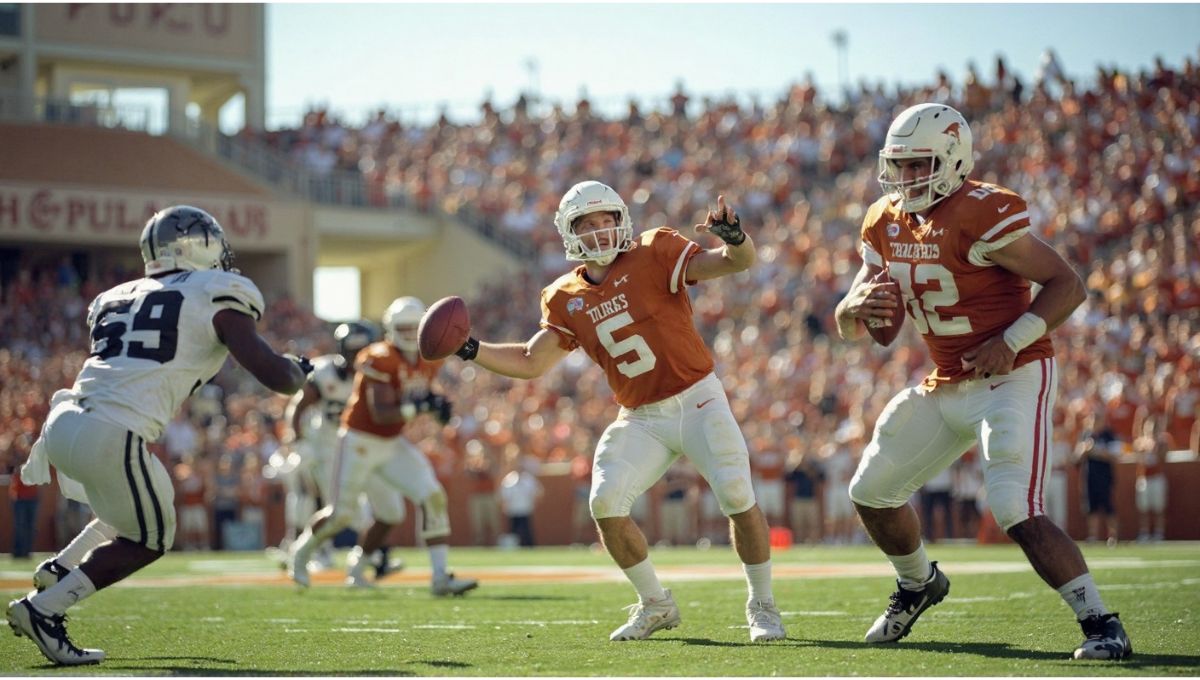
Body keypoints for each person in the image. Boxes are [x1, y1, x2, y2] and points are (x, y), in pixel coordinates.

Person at [834, 104, 1131, 660]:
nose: (906, 178)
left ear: (952, 159)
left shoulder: (981, 211)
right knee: (870, 492)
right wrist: (850, 307)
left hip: (1013, 373)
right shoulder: (884, 219)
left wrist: (1011, 340)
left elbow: (1067, 283)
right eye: (898, 166)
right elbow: (874, 327)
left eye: (919, 164)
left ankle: (1101, 623)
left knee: (1013, 505)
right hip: (947, 380)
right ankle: (920, 583)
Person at [445, 180, 785, 642]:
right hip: (641, 416)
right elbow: (530, 360)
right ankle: (656, 603)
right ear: (569, 233)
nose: (601, 230)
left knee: (737, 496)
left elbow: (733, 263)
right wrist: (468, 347)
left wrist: (735, 238)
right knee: (605, 502)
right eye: (588, 223)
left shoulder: (654, 250)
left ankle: (762, 603)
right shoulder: (564, 296)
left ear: (623, 220)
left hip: (699, 398)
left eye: (608, 219)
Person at [6, 206, 309, 666]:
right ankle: (45, 609)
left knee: (146, 500)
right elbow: (272, 373)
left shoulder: (115, 295)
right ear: (194, 246)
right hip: (112, 430)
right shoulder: (216, 291)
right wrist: (296, 372)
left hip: (64, 423)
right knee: (151, 537)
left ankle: (60, 567)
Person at [289, 297, 477, 596]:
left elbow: (418, 401)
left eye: (413, 327)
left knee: (429, 497)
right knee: (342, 515)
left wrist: (437, 410)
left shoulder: (431, 359)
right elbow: (381, 412)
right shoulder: (377, 356)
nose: (407, 333)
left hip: (391, 442)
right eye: (402, 327)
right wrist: (421, 408)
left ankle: (438, 576)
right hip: (359, 441)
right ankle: (301, 552)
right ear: (390, 328)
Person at [278, 320, 401, 582]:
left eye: (361, 350)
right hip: (326, 447)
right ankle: (310, 551)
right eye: (350, 351)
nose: (355, 357)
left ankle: (375, 556)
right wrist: (298, 440)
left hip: (359, 444)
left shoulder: (376, 372)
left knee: (367, 507)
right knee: (344, 510)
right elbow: (298, 408)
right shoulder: (325, 372)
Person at [498, 452, 543, 547]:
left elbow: (538, 491)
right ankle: (514, 547)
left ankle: (529, 546)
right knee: (513, 531)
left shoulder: (528, 478)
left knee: (526, 530)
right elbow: (504, 496)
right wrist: (505, 506)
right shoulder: (509, 479)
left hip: (525, 509)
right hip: (513, 510)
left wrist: (535, 502)